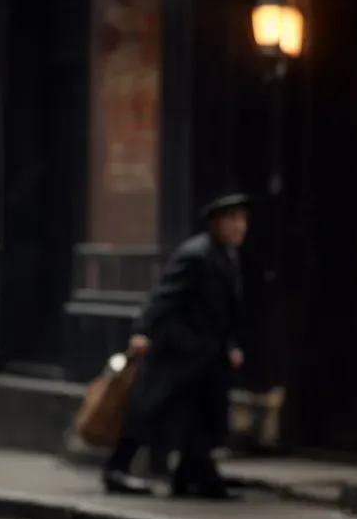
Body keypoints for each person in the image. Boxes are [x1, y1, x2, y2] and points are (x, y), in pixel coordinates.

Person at [102, 193, 251, 500]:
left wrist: (229, 345)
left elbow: (221, 311)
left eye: (243, 220)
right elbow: (165, 295)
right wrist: (143, 330)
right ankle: (117, 468)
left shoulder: (224, 255)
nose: (240, 227)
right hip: (179, 351)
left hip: (205, 352)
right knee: (149, 409)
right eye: (233, 220)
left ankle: (193, 475)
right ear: (216, 224)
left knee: (200, 414)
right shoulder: (196, 255)